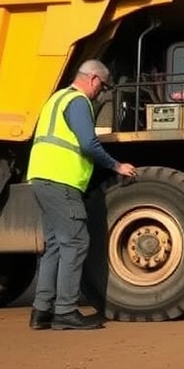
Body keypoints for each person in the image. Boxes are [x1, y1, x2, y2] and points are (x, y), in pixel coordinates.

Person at [26, 59, 138, 331]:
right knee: (75, 244)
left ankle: (42, 311)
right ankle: (65, 311)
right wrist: (116, 165)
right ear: (94, 80)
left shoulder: (57, 98)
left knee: (54, 245)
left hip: (41, 178)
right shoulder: (78, 102)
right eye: (102, 88)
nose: (100, 94)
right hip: (62, 180)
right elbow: (88, 143)